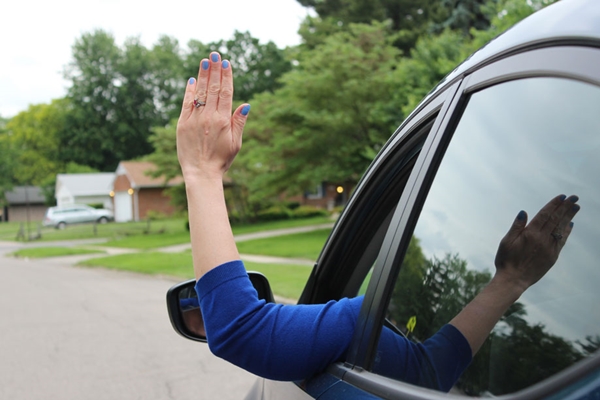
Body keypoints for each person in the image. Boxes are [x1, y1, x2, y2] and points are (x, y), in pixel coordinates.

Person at [175, 52, 581, 391]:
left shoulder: (358, 327)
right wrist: (511, 280)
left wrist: (202, 172)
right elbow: (433, 368)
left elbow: (239, 329)